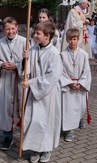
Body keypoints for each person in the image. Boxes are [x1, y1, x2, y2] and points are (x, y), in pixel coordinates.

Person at [21, 21, 62, 163]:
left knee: (47, 122)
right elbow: (28, 70)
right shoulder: (32, 50)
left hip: (48, 94)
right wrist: (25, 60)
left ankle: (46, 149)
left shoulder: (54, 53)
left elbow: (53, 76)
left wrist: (31, 83)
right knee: (34, 121)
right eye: (35, 32)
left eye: (38, 33)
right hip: (34, 93)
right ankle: (35, 148)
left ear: (47, 36)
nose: (35, 35)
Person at [0, 17, 26, 151]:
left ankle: (24, 135)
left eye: (12, 28)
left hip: (20, 81)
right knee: (6, 109)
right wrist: (1, 65)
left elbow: (29, 61)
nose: (10, 31)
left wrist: (17, 66)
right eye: (7, 29)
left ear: (17, 27)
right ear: (3, 29)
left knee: (22, 108)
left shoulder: (25, 42)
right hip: (6, 81)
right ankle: (7, 136)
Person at [60, 28, 92, 142]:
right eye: (70, 39)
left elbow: (86, 71)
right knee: (68, 109)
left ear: (78, 39)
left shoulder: (83, 54)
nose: (72, 42)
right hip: (68, 85)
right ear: (67, 40)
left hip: (80, 85)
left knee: (80, 107)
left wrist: (81, 83)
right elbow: (60, 71)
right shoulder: (62, 55)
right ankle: (69, 130)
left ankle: (79, 118)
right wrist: (68, 83)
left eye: (74, 39)